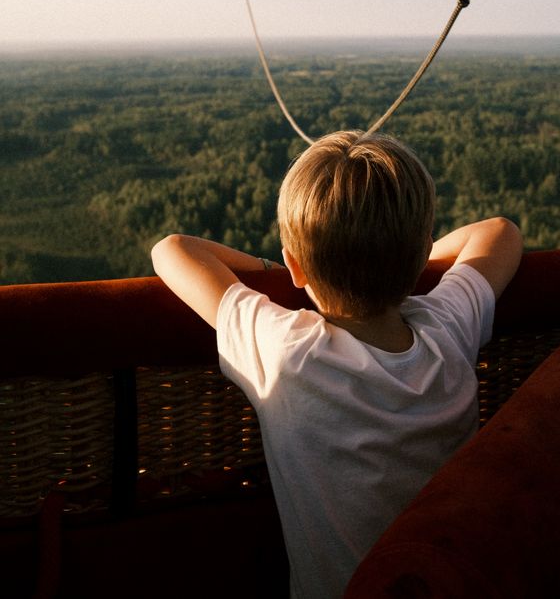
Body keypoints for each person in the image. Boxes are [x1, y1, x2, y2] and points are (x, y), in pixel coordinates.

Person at [151, 130, 523, 599]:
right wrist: (412, 258)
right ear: (420, 256)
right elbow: (499, 232)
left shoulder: (285, 350)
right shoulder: (447, 327)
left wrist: (282, 271)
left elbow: (171, 249)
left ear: (296, 265)